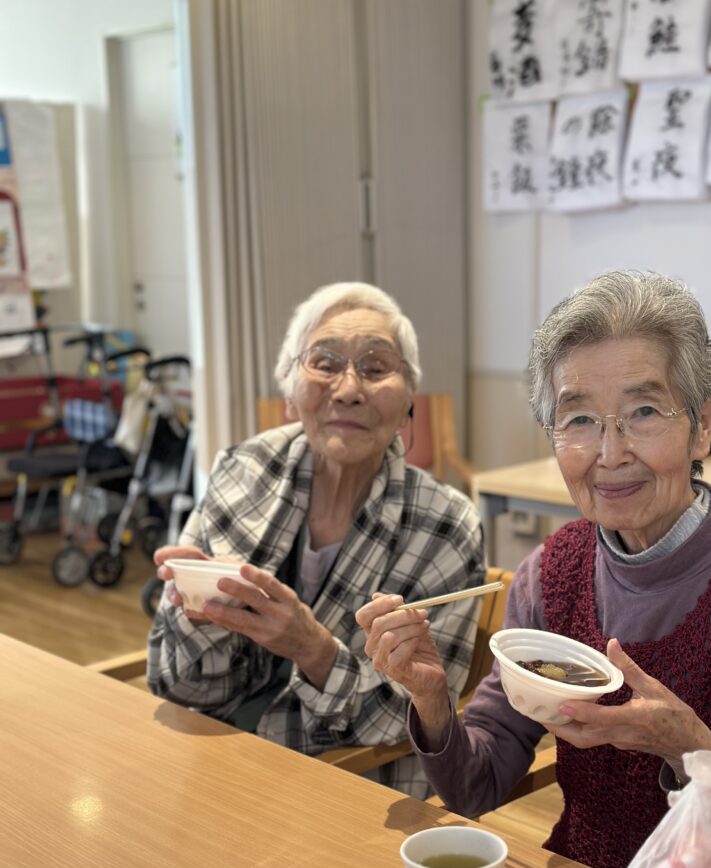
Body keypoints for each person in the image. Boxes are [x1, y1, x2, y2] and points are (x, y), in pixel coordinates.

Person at [357, 270, 711, 868]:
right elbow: (478, 786)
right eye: (579, 420)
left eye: (643, 411)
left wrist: (691, 751)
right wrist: (434, 699)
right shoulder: (551, 576)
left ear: (702, 426)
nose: (610, 454)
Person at [147, 282, 485, 798]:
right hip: (212, 762)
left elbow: (414, 715)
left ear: (407, 402)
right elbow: (174, 680)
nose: (348, 389)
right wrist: (198, 615)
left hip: (349, 789)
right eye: (324, 363)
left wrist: (313, 648)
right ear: (289, 391)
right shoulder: (243, 470)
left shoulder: (445, 524)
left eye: (375, 367)